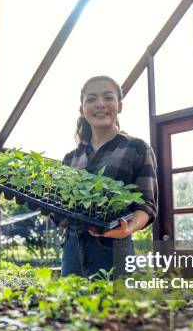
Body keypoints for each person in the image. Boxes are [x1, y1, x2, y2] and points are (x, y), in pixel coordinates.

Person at [58, 75, 158, 278]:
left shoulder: (137, 148)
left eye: (108, 98)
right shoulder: (70, 158)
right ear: (82, 109)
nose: (100, 104)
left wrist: (128, 227)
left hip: (115, 248)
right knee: (70, 307)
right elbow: (60, 208)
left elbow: (146, 205)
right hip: (72, 249)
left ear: (119, 106)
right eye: (91, 99)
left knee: (117, 308)